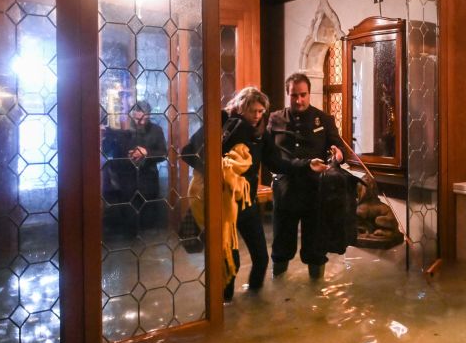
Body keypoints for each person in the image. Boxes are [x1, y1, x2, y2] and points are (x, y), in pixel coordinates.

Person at [180, 87, 327, 300]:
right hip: (222, 202)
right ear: (241, 107)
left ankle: (255, 307)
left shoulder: (261, 133)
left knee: (261, 258)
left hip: (246, 201)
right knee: (230, 262)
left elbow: (276, 162)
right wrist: (218, 171)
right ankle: (225, 308)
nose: (257, 116)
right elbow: (188, 153)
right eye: (253, 111)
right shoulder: (222, 122)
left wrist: (307, 165)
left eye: (261, 112)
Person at [269, 72, 344, 280]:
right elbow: (267, 153)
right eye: (294, 95)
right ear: (288, 94)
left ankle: (316, 294)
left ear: (309, 94)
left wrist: (339, 153)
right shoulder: (275, 119)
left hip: (315, 191)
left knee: (315, 246)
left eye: (303, 95)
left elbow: (337, 145)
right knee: (281, 243)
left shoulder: (325, 119)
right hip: (285, 190)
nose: (299, 100)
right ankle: (278, 290)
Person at [102, 101, 168, 235]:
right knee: (128, 221)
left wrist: (147, 153)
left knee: (148, 224)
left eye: (145, 118)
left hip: (148, 182)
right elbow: (108, 151)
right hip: (127, 182)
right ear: (132, 115)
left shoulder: (156, 130)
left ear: (149, 115)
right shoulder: (124, 131)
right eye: (138, 119)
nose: (141, 122)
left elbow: (163, 154)